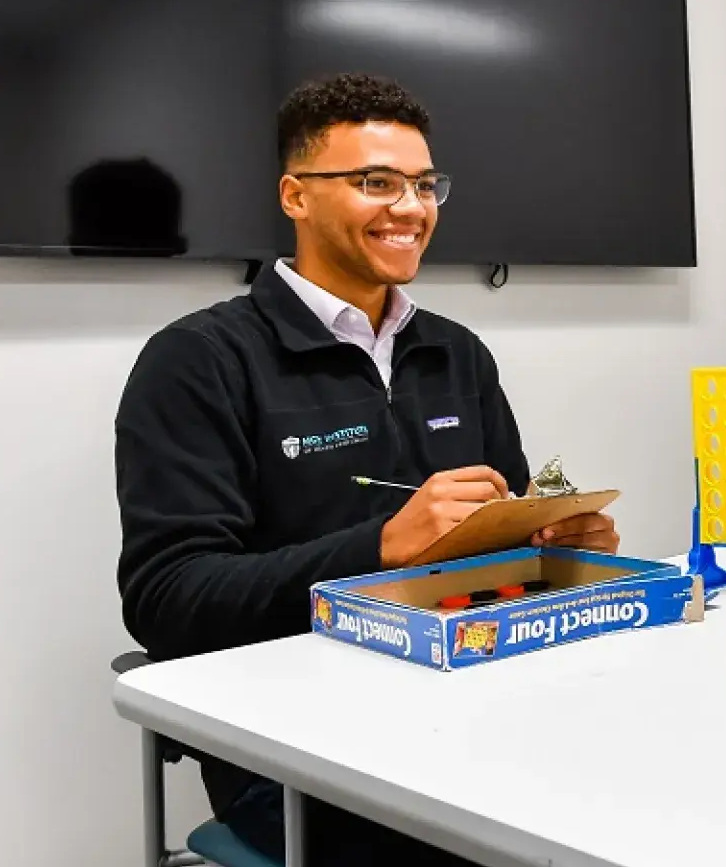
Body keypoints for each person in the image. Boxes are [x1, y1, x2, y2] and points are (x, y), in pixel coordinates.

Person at [115, 72, 619, 865]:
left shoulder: (457, 352)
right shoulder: (199, 361)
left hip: (480, 703)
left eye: (424, 184)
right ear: (295, 196)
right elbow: (166, 598)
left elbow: (503, 546)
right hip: (298, 752)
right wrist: (380, 548)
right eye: (375, 183)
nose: (412, 208)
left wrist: (562, 548)